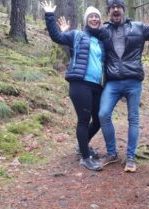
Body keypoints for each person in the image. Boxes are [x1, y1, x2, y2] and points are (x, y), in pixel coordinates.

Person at [98, 0, 149, 172]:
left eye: (118, 7)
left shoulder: (138, 27)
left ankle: (130, 157)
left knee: (133, 119)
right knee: (103, 114)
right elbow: (85, 37)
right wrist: (63, 32)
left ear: (123, 10)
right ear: (108, 11)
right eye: (112, 7)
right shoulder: (103, 31)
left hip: (133, 81)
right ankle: (112, 153)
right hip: (112, 82)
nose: (115, 10)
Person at [41, 1, 105, 171]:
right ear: (86, 20)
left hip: (96, 86)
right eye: (91, 16)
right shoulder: (76, 34)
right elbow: (57, 37)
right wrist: (49, 15)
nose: (94, 19)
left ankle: (82, 145)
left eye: (96, 17)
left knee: (99, 119)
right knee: (84, 120)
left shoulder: (100, 41)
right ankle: (85, 157)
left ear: (100, 20)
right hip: (80, 83)